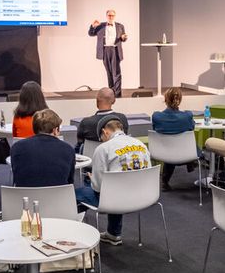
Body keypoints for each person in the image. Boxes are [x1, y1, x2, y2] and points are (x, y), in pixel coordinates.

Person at [75, 116, 151, 246]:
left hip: (115, 199)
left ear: (105, 132)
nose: (101, 140)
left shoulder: (104, 148)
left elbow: (98, 188)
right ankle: (113, 234)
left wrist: (92, 178)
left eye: (101, 138)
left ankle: (75, 237)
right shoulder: (141, 145)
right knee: (117, 186)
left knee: (76, 194)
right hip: (143, 197)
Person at [11, 109, 75, 187]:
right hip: (58, 198)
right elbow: (70, 182)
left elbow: (16, 177)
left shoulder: (17, 147)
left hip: (24, 197)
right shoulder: (68, 149)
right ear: (55, 130)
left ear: (34, 128)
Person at [151, 87, 196, 190]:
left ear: (165, 100)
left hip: (163, 152)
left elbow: (155, 129)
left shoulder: (156, 116)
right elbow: (191, 127)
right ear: (179, 100)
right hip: (186, 154)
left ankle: (165, 181)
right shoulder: (187, 115)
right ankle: (191, 164)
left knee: (171, 144)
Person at [75, 87, 129, 154]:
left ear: (97, 101)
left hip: (91, 161)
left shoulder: (86, 123)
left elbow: (80, 144)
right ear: (114, 101)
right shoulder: (122, 119)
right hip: (116, 159)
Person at [88, 9, 128, 97]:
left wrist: (123, 37)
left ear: (115, 16)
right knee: (109, 73)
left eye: (112, 15)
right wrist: (92, 26)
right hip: (104, 51)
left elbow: (123, 38)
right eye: (109, 15)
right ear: (106, 16)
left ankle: (117, 94)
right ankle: (111, 93)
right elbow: (91, 33)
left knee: (116, 73)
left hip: (115, 50)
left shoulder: (120, 26)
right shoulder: (101, 26)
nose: (111, 17)